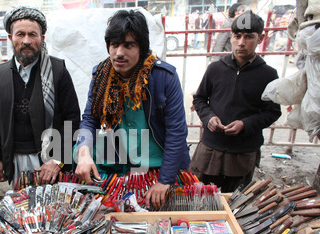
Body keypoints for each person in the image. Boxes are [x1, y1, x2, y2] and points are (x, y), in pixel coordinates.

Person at [75, 10, 190, 209]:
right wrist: (83, 152)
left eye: (129, 45)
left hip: (157, 167)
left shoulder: (164, 77)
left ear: (142, 47)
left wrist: (164, 181)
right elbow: (89, 119)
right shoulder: (101, 75)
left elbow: (176, 132)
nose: (119, 52)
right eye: (114, 44)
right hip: (117, 165)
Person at [189, 11, 282, 192]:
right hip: (209, 149)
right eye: (237, 36)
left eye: (248, 37)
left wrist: (245, 124)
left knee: (233, 201)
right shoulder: (215, 69)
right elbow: (200, 99)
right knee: (198, 196)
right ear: (231, 36)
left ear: (261, 38)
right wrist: (209, 118)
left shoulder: (268, 75)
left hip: (243, 152)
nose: (241, 42)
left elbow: (272, 112)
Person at [0, 6, 80, 187]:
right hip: (15, 161)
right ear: (10, 38)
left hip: (50, 164)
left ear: (42, 38)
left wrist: (57, 160)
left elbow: (72, 120)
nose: (26, 41)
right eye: (20, 34)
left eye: (32, 35)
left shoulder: (57, 70)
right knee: (22, 209)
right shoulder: (1, 75)